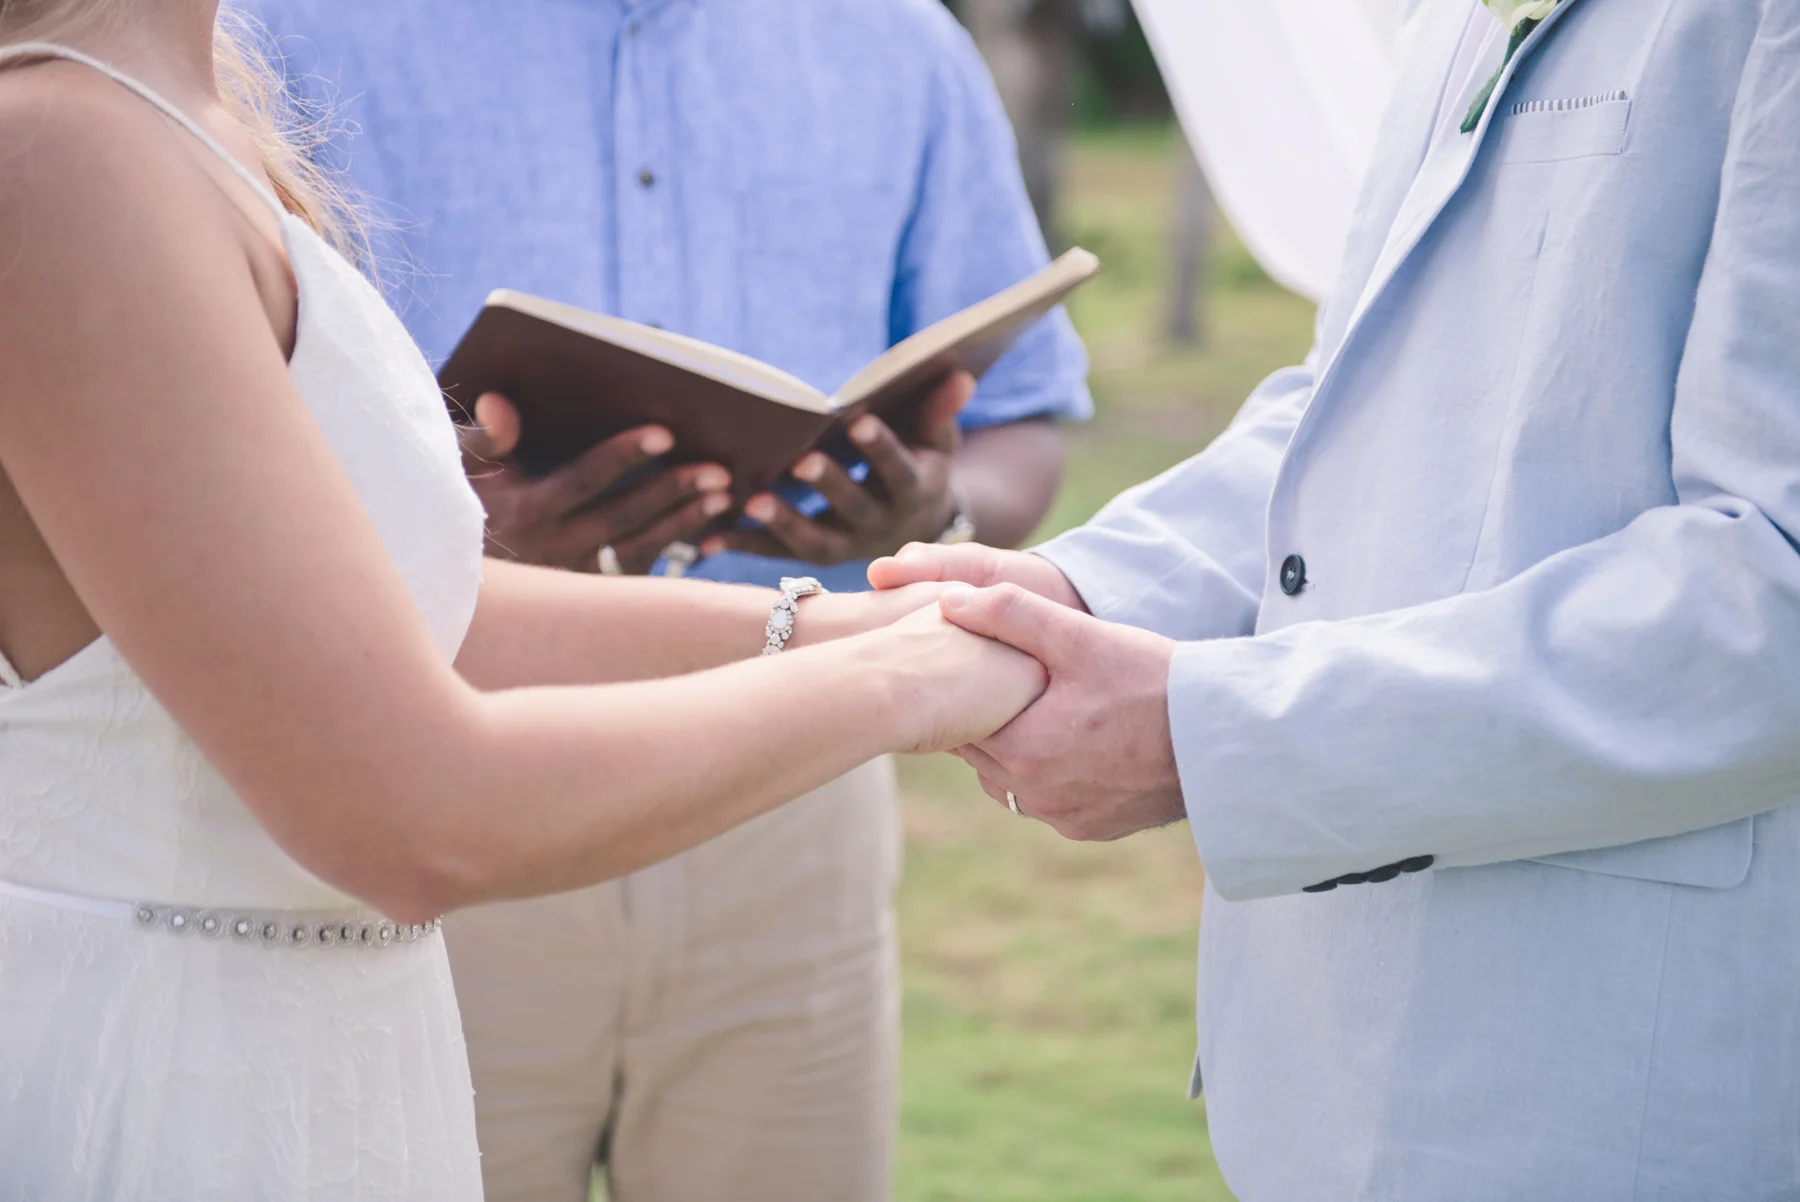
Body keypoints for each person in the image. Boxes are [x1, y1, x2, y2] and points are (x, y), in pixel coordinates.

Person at [0, 3, 1046, 1197]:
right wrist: (908, 678)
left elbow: (425, 611)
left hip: (310, 1052)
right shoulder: (63, 153)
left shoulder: (175, 115)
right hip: (175, 1082)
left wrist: (866, 617)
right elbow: (413, 814)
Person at [875, 0, 1800, 1197]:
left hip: (1608, 1097)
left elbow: (1772, 586)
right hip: (1324, 1081)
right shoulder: (1452, 19)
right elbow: (1350, 399)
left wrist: (1204, 734)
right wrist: (1077, 587)